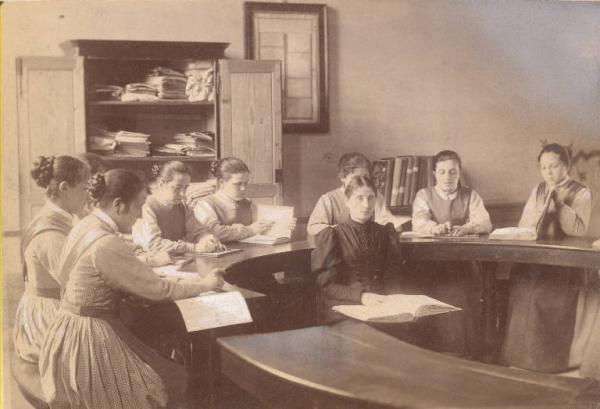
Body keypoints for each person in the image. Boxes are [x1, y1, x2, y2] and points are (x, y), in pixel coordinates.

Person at [39, 169, 225, 409]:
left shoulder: (85, 225)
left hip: (67, 328)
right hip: (89, 337)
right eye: (137, 207)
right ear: (118, 205)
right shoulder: (106, 243)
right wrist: (204, 284)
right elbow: (159, 290)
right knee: (160, 384)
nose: (139, 217)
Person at [502, 143, 592, 373]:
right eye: (544, 168)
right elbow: (525, 224)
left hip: (564, 264)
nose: (549, 172)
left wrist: (559, 205)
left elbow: (579, 230)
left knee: (544, 296)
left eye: (554, 166)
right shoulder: (539, 189)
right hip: (537, 259)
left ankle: (546, 364)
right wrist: (539, 210)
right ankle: (519, 362)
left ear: (566, 166)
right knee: (522, 289)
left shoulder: (581, 191)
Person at [411, 150, 492, 358]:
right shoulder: (423, 195)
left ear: (459, 173)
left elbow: (485, 222)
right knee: (431, 296)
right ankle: (434, 354)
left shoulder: (470, 195)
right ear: (435, 174)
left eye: (453, 172)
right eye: (443, 172)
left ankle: (465, 354)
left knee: (465, 294)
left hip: (464, 264)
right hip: (432, 266)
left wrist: (467, 228)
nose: (448, 177)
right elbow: (418, 222)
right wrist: (433, 228)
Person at [13, 155, 90, 363]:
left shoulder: (59, 218)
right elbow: (78, 284)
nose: (88, 195)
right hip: (47, 320)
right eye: (85, 189)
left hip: (56, 306)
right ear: (64, 188)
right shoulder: (50, 233)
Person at [311, 176, 407, 324]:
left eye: (371, 198)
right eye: (359, 198)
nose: (366, 204)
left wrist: (394, 301)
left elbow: (393, 275)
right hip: (347, 307)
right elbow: (326, 285)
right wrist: (361, 297)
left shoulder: (385, 233)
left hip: (382, 305)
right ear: (347, 202)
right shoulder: (333, 235)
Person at [132, 161, 224, 253]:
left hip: (176, 261)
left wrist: (208, 239)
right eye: (177, 188)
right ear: (162, 184)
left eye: (185, 188)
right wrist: (194, 248)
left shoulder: (183, 206)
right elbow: (153, 244)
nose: (182, 194)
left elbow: (197, 231)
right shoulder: (145, 207)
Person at [307, 153, 405, 237]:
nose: (362, 182)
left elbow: (386, 219)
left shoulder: (375, 196)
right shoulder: (328, 199)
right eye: (356, 178)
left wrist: (393, 225)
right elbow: (313, 227)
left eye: (366, 177)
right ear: (342, 177)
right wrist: (344, 230)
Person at [194, 157, 277, 242]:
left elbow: (260, 226)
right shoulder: (205, 204)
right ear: (221, 182)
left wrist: (283, 225)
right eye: (238, 184)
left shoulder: (248, 203)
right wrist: (250, 230)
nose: (243, 188)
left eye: (246, 183)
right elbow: (214, 232)